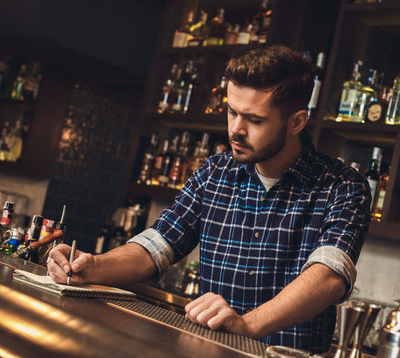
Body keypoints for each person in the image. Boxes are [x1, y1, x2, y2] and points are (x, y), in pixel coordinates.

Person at [48, 45, 371, 353]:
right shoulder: (215, 172)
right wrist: (92, 267)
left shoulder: (341, 186)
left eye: (254, 120)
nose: (236, 130)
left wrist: (246, 325)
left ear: (297, 122)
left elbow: (329, 276)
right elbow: (157, 245)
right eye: (232, 112)